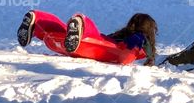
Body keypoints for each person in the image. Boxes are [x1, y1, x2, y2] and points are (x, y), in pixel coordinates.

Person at [17, 10, 158, 66]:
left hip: (80, 47)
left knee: (59, 31)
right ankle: (80, 23)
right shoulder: (141, 39)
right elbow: (131, 52)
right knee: (90, 34)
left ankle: (37, 20)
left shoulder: (124, 35)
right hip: (101, 48)